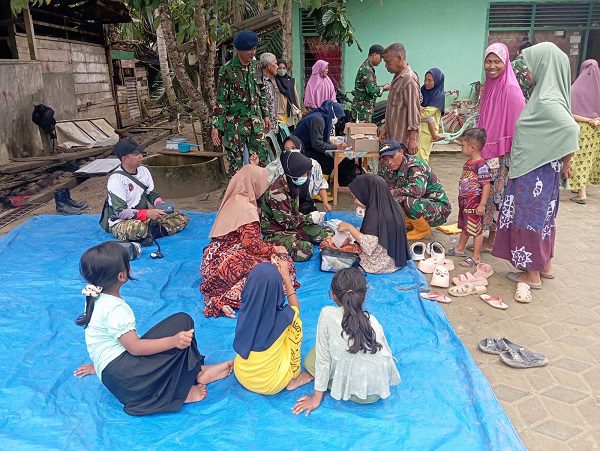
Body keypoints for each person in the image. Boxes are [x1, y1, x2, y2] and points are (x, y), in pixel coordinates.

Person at [73, 242, 233, 416]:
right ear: (122, 275)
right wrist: (173, 341)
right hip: (129, 379)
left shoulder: (94, 298)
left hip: (115, 380)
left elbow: (102, 342)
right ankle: (180, 392)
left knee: (176, 327)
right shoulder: (116, 308)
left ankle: (197, 372)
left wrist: (99, 367)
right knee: (183, 322)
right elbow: (135, 348)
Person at [492, 42, 579, 291]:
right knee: (544, 219)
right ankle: (545, 266)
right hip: (543, 170)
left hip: (534, 173)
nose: (527, 72)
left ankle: (532, 275)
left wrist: (567, 161)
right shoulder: (548, 96)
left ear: (544, 66)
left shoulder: (547, 101)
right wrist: (563, 162)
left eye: (530, 67)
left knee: (529, 218)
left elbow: (571, 130)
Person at [291, 268, 401, 416]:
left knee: (314, 356)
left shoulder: (327, 315)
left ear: (333, 295)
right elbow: (385, 353)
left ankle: (311, 374)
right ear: (364, 295)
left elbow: (323, 360)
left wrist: (316, 398)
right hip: (373, 394)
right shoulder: (373, 321)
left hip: (350, 391)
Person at [200, 165, 299, 319]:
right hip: (225, 259)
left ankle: (221, 296)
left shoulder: (234, 197)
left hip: (211, 260)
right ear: (254, 183)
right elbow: (252, 245)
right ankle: (225, 298)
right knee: (281, 264)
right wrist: (275, 249)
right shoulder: (245, 208)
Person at [476, 43, 525, 253]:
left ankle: (493, 239)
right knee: (484, 193)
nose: (492, 66)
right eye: (488, 61)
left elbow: (519, 126)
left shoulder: (511, 89)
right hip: (487, 151)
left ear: (505, 63)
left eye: (497, 61)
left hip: (503, 155)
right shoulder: (490, 86)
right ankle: (483, 236)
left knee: (498, 196)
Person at [233, 262, 305, 395]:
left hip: (241, 374)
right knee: (295, 325)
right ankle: (295, 374)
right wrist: (286, 278)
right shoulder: (284, 317)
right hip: (270, 384)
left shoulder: (246, 310)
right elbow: (296, 309)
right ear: (277, 290)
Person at [100, 138, 189, 242]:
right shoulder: (116, 180)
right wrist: (147, 213)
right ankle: (154, 232)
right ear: (125, 159)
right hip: (122, 222)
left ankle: (150, 235)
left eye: (140, 153)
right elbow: (120, 212)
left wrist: (160, 204)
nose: (141, 156)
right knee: (138, 228)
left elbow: (151, 194)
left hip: (145, 218)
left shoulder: (144, 171)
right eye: (136, 154)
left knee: (182, 218)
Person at [211, 30, 271, 175]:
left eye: (254, 48)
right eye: (249, 49)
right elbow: (221, 101)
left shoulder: (257, 67)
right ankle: (238, 190)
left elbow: (261, 92)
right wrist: (216, 126)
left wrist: (265, 115)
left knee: (260, 164)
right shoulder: (226, 70)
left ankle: (258, 191)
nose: (253, 52)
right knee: (236, 169)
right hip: (235, 127)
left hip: (256, 125)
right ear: (238, 50)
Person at [260, 150, 333, 262]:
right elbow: (286, 222)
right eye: (303, 174)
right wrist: (309, 218)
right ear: (294, 173)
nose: (306, 176)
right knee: (305, 250)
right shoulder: (277, 192)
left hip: (292, 226)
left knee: (327, 233)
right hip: (275, 232)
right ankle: (291, 240)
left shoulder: (292, 184)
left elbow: (294, 214)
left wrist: (309, 219)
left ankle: (297, 237)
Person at [336, 174, 410, 274]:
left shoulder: (375, 214)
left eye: (356, 197)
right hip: (394, 259)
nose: (355, 201)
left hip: (378, 265)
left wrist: (350, 228)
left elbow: (368, 247)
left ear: (366, 193)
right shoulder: (393, 205)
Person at [378, 140, 451, 240]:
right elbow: (379, 184)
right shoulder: (385, 166)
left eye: (392, 156)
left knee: (404, 200)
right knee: (385, 198)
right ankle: (409, 221)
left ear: (401, 152)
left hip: (437, 209)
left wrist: (392, 192)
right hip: (420, 203)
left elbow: (416, 191)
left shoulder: (415, 166)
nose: (389, 162)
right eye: (385, 159)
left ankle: (423, 230)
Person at [447, 129, 491, 267]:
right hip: (465, 202)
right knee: (466, 225)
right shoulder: (469, 163)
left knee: (476, 229)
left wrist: (482, 204)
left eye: (463, 145)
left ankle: (476, 257)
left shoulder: (481, 166)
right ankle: (460, 248)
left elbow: (486, 185)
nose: (461, 148)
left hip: (474, 203)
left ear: (472, 147)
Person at [293, 99, 355, 186]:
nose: (337, 120)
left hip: (305, 147)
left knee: (332, 158)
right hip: (302, 151)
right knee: (328, 161)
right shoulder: (318, 120)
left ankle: (323, 184)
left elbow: (318, 137)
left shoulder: (320, 115)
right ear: (333, 114)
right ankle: (319, 186)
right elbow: (317, 145)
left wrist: (331, 143)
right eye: (337, 117)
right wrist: (337, 147)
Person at [266, 135, 332, 213]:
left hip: (305, 204)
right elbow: (265, 182)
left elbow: (320, 183)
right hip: (284, 204)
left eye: (293, 148)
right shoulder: (277, 165)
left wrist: (325, 203)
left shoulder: (312, 164)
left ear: (300, 147)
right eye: (286, 149)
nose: (290, 152)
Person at [381, 42, 421, 155]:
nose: (386, 66)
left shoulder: (409, 80)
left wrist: (412, 140)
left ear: (399, 58)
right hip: (394, 138)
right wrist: (385, 127)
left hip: (403, 142)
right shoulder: (397, 77)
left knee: (403, 166)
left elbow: (414, 112)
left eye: (388, 62)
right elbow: (393, 108)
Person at [569, 59, 600, 204]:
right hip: (596, 130)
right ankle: (579, 188)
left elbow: (569, 113)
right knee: (588, 159)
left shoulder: (574, 89)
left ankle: (582, 193)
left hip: (580, 129)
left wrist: (587, 120)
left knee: (577, 159)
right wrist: (595, 120)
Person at [351, 44, 390, 122]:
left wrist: (382, 87)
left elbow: (369, 87)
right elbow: (372, 91)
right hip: (362, 111)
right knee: (362, 130)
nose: (381, 60)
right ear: (374, 55)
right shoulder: (366, 70)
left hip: (364, 109)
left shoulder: (368, 67)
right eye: (381, 57)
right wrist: (384, 88)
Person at [419, 68, 446, 162]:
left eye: (430, 81)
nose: (426, 83)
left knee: (422, 156)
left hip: (427, 131)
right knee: (415, 156)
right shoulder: (423, 90)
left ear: (437, 81)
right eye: (425, 80)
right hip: (418, 127)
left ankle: (422, 171)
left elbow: (425, 113)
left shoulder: (438, 95)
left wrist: (411, 112)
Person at [275, 59, 302, 130]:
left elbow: (295, 96)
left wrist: (299, 111)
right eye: (279, 68)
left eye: (284, 68)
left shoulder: (291, 81)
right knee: (281, 133)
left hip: (290, 113)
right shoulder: (274, 80)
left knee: (290, 132)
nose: (282, 70)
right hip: (279, 113)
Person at [260, 53, 279, 135]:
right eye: (275, 63)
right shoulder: (261, 81)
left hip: (274, 125)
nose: (277, 67)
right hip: (265, 126)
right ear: (269, 66)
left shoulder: (272, 80)